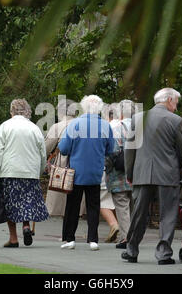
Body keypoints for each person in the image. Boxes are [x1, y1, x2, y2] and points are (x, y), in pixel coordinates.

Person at [121, 88, 182, 265]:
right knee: (168, 214)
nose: (175, 107)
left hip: (141, 173)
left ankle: (132, 250)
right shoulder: (175, 121)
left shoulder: (137, 119)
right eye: (175, 103)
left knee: (138, 214)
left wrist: (130, 173)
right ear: (169, 100)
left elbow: (130, 149)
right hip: (167, 174)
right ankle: (164, 254)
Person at [0, 98, 49, 248]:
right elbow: (43, 153)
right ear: (27, 111)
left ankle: (13, 238)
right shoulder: (34, 128)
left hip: (9, 172)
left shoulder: (5, 126)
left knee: (10, 204)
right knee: (27, 201)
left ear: (11, 111)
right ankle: (26, 226)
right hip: (29, 172)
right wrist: (40, 170)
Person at [59, 95, 114, 251]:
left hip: (75, 173)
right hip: (96, 171)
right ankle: (93, 239)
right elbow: (111, 149)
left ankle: (70, 238)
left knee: (72, 206)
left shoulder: (74, 124)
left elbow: (63, 149)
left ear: (83, 107)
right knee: (93, 205)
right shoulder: (105, 126)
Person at [44, 98, 84, 217]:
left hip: (63, 161)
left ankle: (60, 211)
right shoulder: (83, 125)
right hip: (81, 161)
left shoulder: (58, 126)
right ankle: (78, 212)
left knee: (61, 189)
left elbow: (46, 147)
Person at [105, 100, 135, 249]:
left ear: (120, 113)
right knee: (133, 207)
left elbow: (112, 152)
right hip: (138, 175)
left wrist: (106, 168)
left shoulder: (115, 128)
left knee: (122, 207)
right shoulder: (141, 128)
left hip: (119, 176)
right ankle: (134, 236)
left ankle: (126, 239)